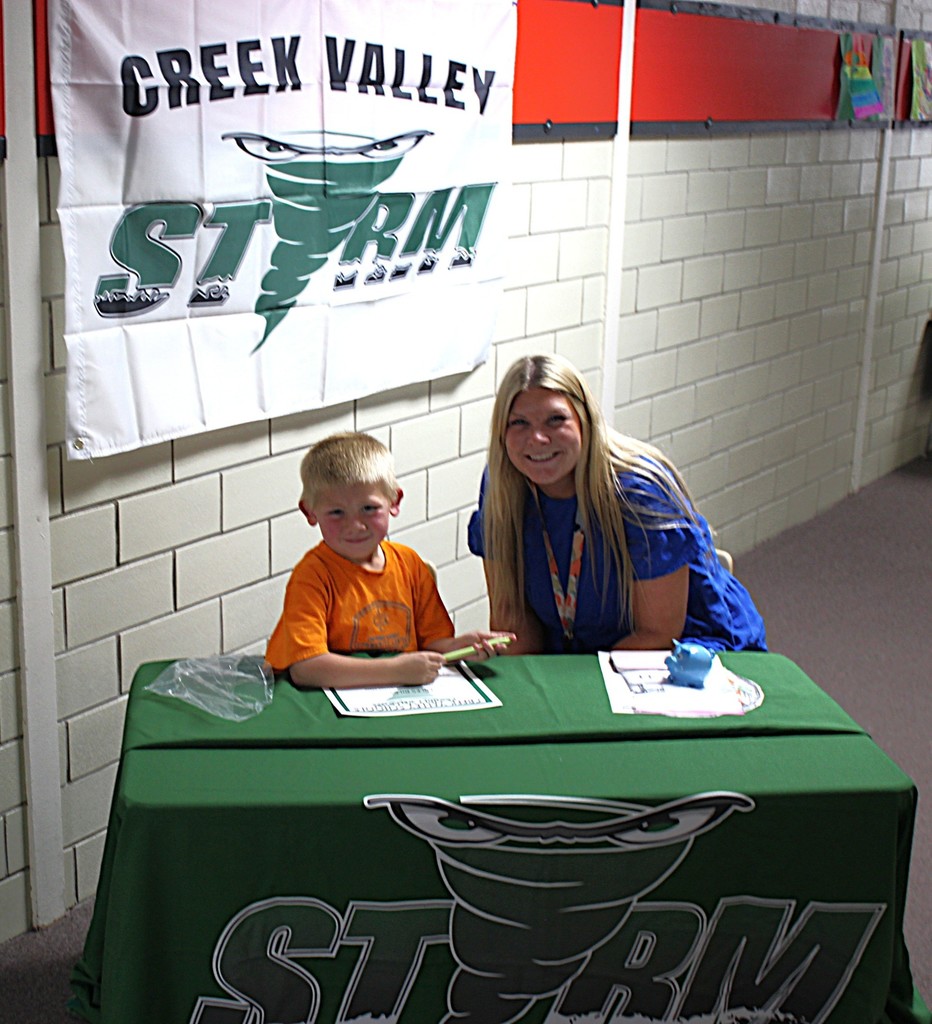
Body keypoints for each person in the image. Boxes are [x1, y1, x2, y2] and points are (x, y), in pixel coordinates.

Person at [467, 354, 766, 654]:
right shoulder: (502, 486)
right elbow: (514, 624)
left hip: (679, 652)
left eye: (555, 420)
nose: (537, 438)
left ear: (584, 419)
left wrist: (579, 681)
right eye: (519, 422)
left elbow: (658, 633)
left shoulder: (640, 491)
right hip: (576, 654)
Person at [267, 431, 513, 688]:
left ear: (394, 501)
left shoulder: (410, 565)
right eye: (337, 512)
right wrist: (395, 671)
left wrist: (461, 647)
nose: (355, 525)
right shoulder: (312, 576)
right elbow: (307, 669)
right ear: (309, 512)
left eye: (369, 508)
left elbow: (434, 644)